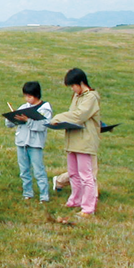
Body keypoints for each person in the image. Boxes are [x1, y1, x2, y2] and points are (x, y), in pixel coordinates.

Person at [50, 68, 101, 218]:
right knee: (73, 173)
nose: (72, 89)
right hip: (73, 140)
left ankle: (88, 207)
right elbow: (72, 115)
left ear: (80, 83)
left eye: (73, 86)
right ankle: (75, 199)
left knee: (86, 175)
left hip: (85, 142)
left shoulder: (91, 97)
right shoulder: (77, 96)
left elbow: (79, 115)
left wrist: (58, 117)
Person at [5, 81, 52, 203]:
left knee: (38, 170)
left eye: (29, 96)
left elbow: (42, 126)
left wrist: (27, 121)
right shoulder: (24, 107)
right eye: (25, 96)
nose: (27, 99)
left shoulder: (45, 108)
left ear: (36, 95)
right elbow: (10, 124)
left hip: (35, 144)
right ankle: (27, 192)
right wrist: (11, 118)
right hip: (21, 142)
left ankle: (44, 195)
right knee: (24, 170)